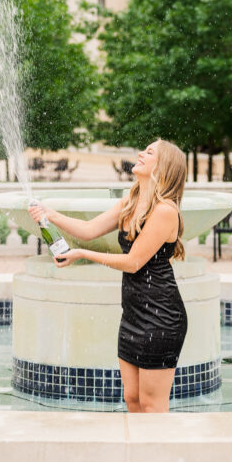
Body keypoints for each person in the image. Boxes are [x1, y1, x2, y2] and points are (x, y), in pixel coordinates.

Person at [28, 139, 187, 413]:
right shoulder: (132, 201)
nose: (140, 153)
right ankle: (138, 455)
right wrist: (49, 215)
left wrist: (83, 255)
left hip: (161, 316)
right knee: (132, 399)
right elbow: (89, 229)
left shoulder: (165, 211)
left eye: (149, 153)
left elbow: (133, 262)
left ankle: (159, 454)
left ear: (164, 167)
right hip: (134, 314)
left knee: (152, 405)